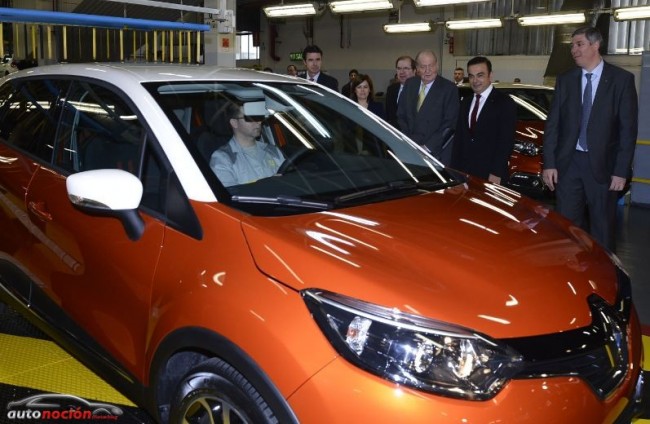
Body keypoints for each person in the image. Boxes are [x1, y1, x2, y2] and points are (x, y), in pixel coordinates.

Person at [542, 26, 638, 251]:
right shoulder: (566, 80)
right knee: (566, 227)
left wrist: (621, 170)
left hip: (603, 167)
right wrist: (550, 164)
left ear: (596, 45)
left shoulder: (621, 80)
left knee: (602, 228)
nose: (574, 50)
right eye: (572, 45)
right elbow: (553, 125)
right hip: (569, 164)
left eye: (579, 44)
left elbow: (627, 130)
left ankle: (603, 278)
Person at [451, 56, 516, 185]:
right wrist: (455, 172)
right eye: (471, 76)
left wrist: (496, 172)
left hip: (491, 175)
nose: (475, 81)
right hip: (465, 174)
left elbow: (506, 141)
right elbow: (459, 138)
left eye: (480, 75)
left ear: (490, 75)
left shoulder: (505, 103)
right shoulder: (466, 102)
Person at [397, 50, 459, 165]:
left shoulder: (449, 89)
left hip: (434, 153)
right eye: (423, 66)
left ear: (437, 65)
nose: (428, 70)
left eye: (431, 66)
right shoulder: (410, 84)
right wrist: (408, 141)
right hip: (410, 148)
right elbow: (401, 115)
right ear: (417, 68)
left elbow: (450, 124)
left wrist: (426, 148)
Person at [210, 103, 284, 187]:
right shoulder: (223, 158)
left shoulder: (273, 151)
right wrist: (268, 183)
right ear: (234, 123)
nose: (259, 122)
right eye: (250, 118)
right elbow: (229, 196)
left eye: (259, 117)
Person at [385, 55, 415, 128]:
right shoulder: (391, 89)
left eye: (406, 68)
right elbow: (389, 116)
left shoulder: (421, 91)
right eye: (399, 68)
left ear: (414, 71)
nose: (402, 72)